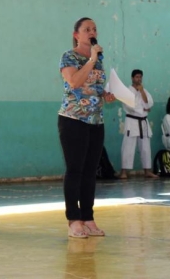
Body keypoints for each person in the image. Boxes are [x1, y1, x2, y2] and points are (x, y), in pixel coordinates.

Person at [58, 17, 116, 239]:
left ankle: (88, 218)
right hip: (73, 119)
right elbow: (74, 82)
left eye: (94, 29)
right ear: (76, 35)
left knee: (91, 172)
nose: (92, 32)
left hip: (95, 121)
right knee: (75, 170)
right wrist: (91, 60)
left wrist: (106, 94)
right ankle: (74, 220)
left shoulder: (98, 60)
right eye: (87, 29)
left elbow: (95, 87)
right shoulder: (69, 56)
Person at [119, 69, 158, 179]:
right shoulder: (127, 91)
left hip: (143, 122)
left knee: (146, 148)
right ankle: (123, 172)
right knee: (128, 147)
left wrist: (142, 92)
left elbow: (149, 104)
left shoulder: (144, 91)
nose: (139, 79)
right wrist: (143, 109)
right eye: (137, 77)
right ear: (132, 78)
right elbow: (130, 107)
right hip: (132, 122)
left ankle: (147, 171)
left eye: (140, 77)